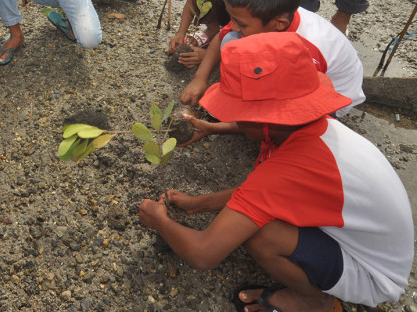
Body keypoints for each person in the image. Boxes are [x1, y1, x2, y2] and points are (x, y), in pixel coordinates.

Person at [140, 32, 413, 312]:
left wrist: (159, 220)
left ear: (261, 120)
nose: (230, 117)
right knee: (257, 212)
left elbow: (203, 254)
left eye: (237, 112)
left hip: (373, 274)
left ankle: (315, 303)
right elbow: (258, 192)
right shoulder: (314, 128)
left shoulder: (289, 170)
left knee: (260, 233)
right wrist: (197, 204)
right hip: (374, 245)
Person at [180, 0, 364, 118]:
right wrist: (200, 78)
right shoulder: (260, 14)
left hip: (332, 98)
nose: (233, 25)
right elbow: (222, 37)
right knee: (231, 40)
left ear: (279, 25)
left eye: (241, 24)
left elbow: (310, 99)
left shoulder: (309, 46)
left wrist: (228, 125)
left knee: (270, 126)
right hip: (293, 68)